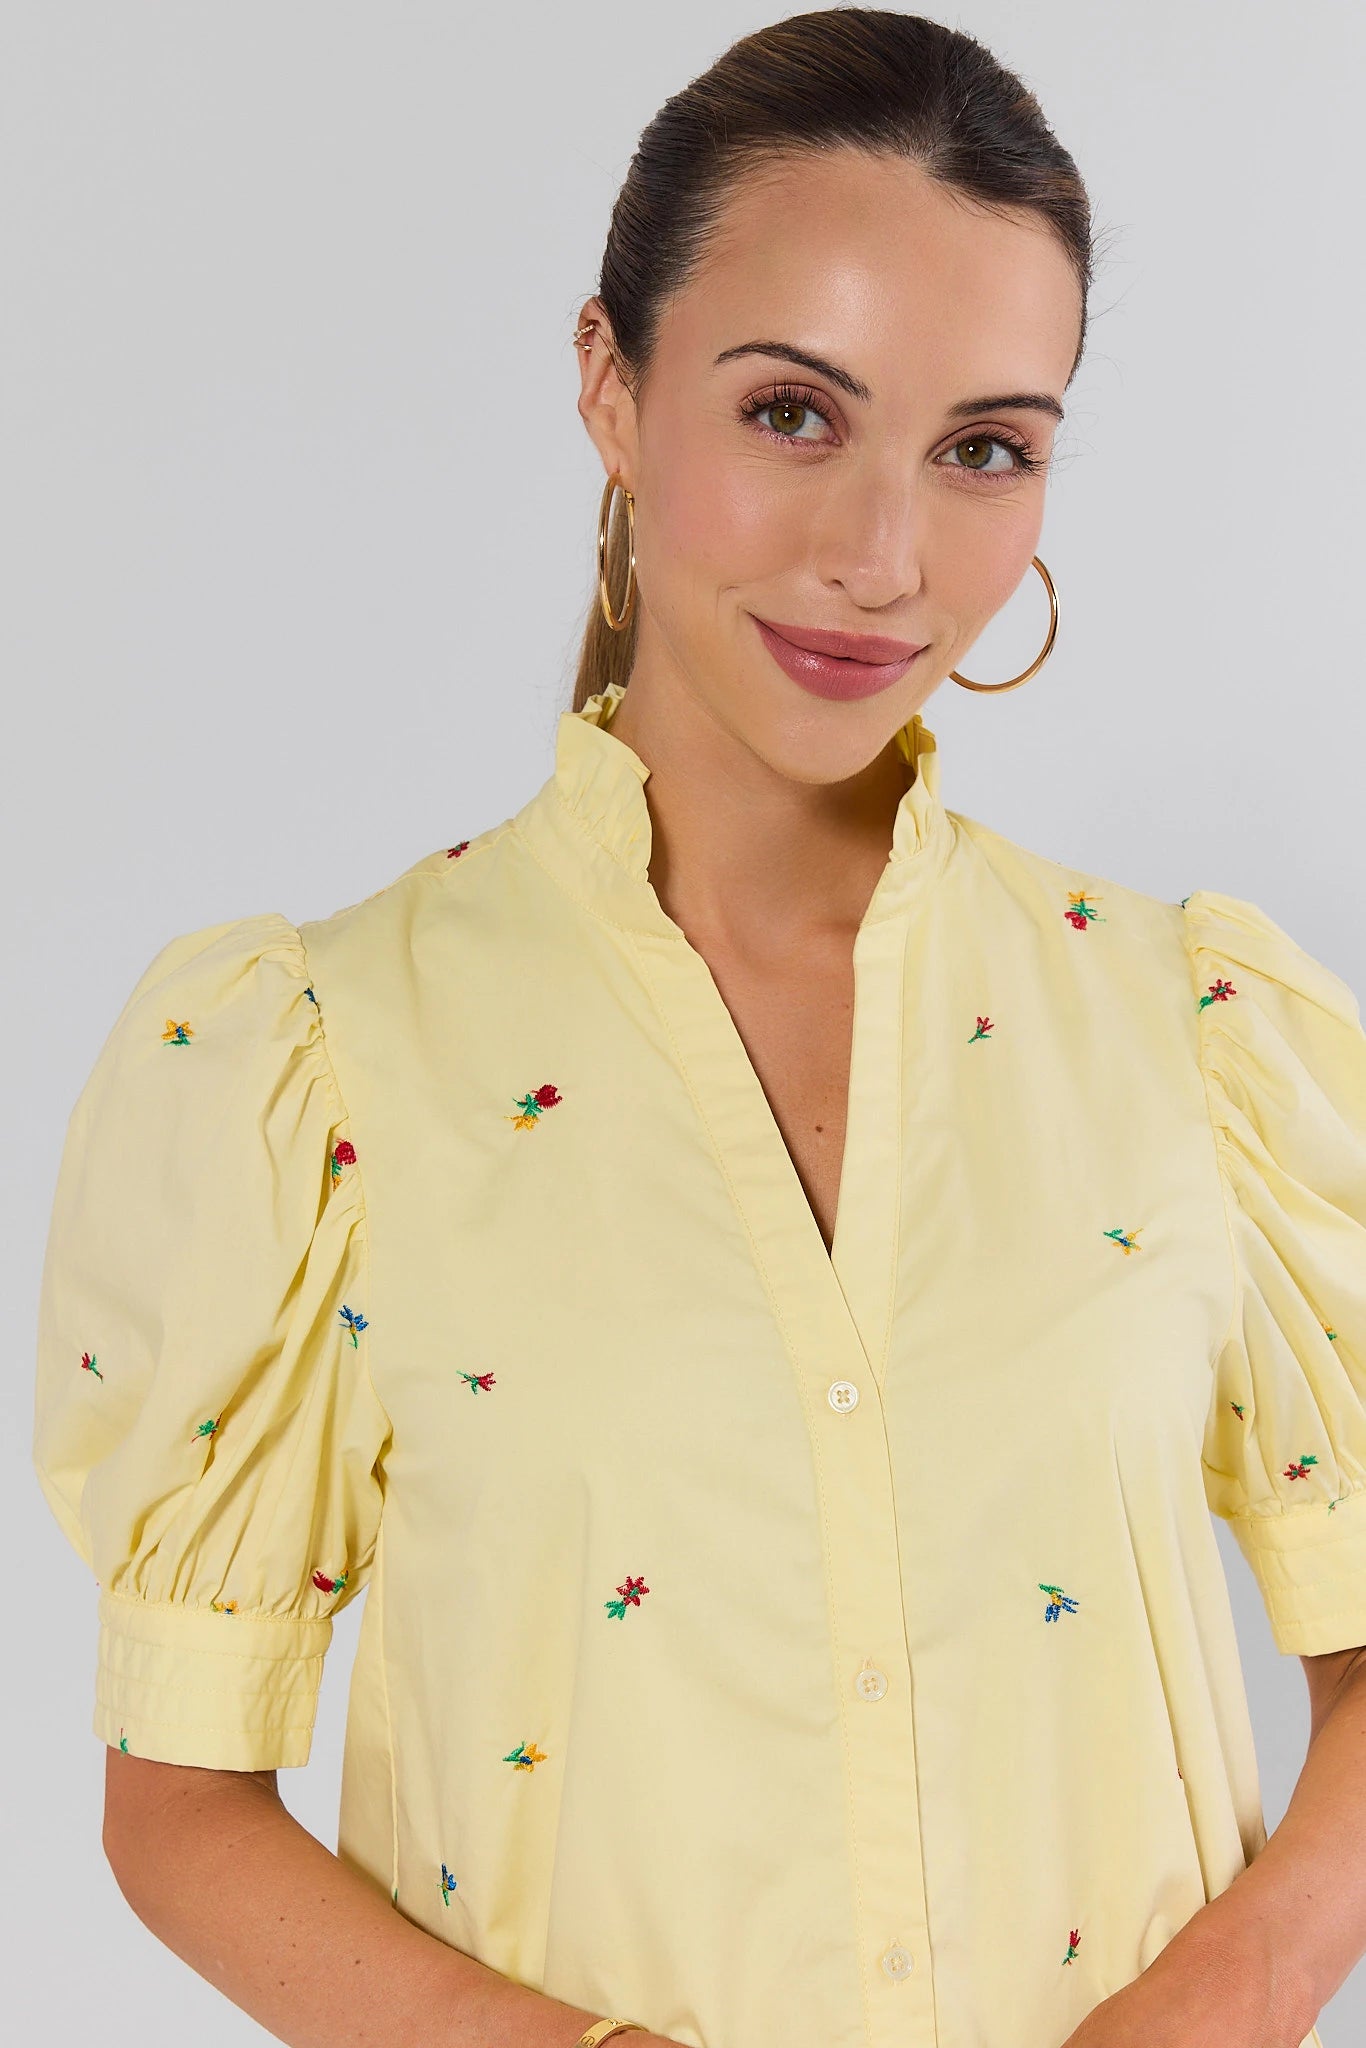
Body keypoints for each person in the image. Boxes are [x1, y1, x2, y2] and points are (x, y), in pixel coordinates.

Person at [30, 11, 1366, 2048]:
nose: (882, 560)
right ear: (610, 383)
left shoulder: (1192, 1030)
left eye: (983, 448)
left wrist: (1231, 1992)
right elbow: (178, 1803)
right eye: (791, 413)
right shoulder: (318, 1060)